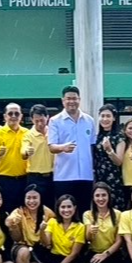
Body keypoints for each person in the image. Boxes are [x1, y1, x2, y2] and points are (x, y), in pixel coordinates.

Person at [48, 86, 97, 214]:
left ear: (79, 99)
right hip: (64, 176)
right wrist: (63, 147)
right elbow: (51, 147)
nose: (72, 101)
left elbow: (92, 146)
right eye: (68, 98)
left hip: (85, 176)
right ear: (63, 100)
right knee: (64, 212)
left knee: (84, 212)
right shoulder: (55, 121)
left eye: (74, 98)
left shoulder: (89, 120)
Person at [7, 186, 52, 263]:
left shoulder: (47, 213)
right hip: (21, 247)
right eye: (28, 198)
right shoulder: (19, 211)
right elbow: (10, 226)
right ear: (24, 198)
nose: (31, 201)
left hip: (38, 248)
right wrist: (14, 225)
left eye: (35, 198)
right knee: (24, 251)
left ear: (40, 198)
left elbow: (48, 238)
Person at [40, 194, 87, 263]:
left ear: (74, 208)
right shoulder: (52, 222)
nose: (66, 210)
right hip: (53, 258)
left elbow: (74, 254)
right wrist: (42, 230)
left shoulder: (80, 227)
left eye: (69, 207)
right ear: (58, 208)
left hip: (69, 260)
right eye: (63, 207)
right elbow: (47, 243)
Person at [0, 103, 30, 212]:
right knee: (6, 211)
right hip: (5, 180)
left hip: (24, 179)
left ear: (21, 116)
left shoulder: (27, 133)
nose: (13, 116)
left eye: (16, 113)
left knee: (23, 211)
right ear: (5, 117)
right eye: (10, 113)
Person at [92, 105, 126, 209]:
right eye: (102, 116)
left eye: (108, 116)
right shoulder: (96, 136)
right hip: (99, 177)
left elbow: (119, 161)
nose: (105, 119)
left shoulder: (119, 137)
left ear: (114, 118)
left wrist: (109, 150)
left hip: (113, 178)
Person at [22, 104, 55, 202]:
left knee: (52, 206)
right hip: (35, 177)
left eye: (42, 120)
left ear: (47, 117)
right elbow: (23, 151)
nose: (40, 123)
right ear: (32, 120)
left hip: (52, 176)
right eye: (36, 121)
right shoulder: (28, 135)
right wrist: (27, 152)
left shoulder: (53, 132)